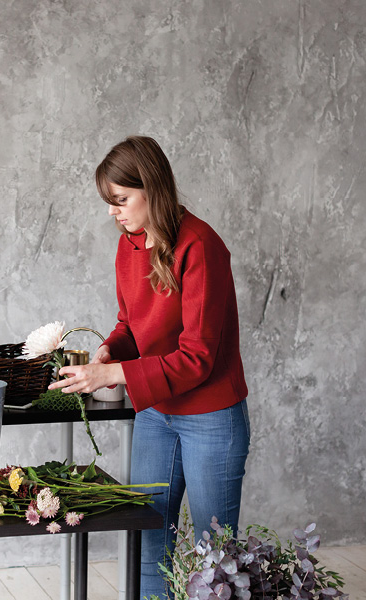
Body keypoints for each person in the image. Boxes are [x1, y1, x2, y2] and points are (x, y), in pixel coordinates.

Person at [48, 135, 250, 599]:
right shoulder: (129, 246)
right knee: (146, 544)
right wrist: (110, 352)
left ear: (152, 189)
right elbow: (130, 324)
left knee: (214, 558)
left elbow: (197, 357)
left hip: (211, 419)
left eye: (120, 200)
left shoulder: (202, 246)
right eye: (110, 202)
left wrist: (114, 375)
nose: (113, 212)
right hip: (158, 412)